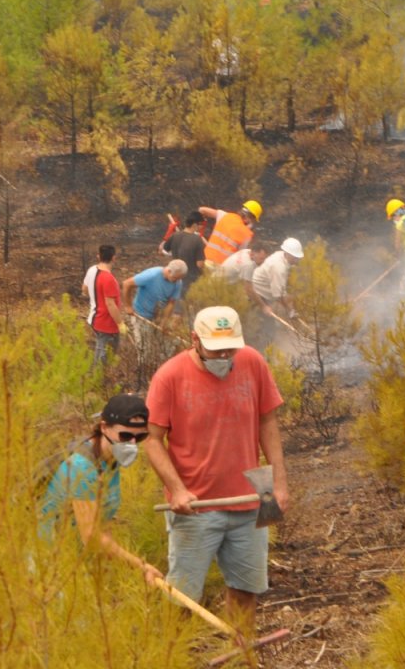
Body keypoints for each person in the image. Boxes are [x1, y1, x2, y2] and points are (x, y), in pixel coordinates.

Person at [142, 306, 288, 629]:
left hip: (250, 498)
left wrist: (279, 483)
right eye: (216, 349)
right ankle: (173, 657)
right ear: (194, 339)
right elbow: (152, 440)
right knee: (181, 596)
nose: (224, 355)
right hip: (197, 505)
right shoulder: (170, 376)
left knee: (246, 589)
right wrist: (178, 490)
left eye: (230, 348)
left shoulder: (252, 362)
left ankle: (241, 656)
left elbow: (268, 421)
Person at [37, 394, 155, 576]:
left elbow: (103, 522)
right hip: (47, 561)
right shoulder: (81, 468)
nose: (132, 443)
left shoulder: (110, 461)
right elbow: (92, 537)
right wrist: (140, 566)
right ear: (104, 428)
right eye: (125, 435)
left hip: (75, 559)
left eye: (140, 438)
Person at [82, 245, 126, 365]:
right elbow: (110, 305)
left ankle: (98, 378)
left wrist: (96, 296)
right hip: (106, 324)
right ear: (114, 258)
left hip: (94, 319)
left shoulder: (91, 270)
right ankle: (97, 381)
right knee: (104, 359)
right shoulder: (108, 279)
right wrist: (120, 323)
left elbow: (84, 289)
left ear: (98, 256)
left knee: (101, 351)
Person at [251, 238, 304, 318]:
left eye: (297, 257)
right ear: (288, 254)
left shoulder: (281, 254)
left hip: (265, 288)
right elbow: (278, 295)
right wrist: (290, 310)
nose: (297, 260)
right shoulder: (278, 267)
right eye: (295, 257)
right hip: (258, 294)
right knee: (267, 322)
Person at [200, 201, 260, 268]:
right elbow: (240, 257)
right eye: (253, 221)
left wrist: (199, 232)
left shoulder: (225, 216)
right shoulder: (247, 234)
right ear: (249, 218)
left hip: (205, 261)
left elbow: (202, 210)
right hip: (222, 269)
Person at [163, 212, 208, 296]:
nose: (201, 227)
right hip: (192, 281)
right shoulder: (197, 240)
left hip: (176, 277)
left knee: (177, 302)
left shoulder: (175, 236)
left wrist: (168, 234)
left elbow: (163, 250)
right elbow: (200, 264)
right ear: (195, 224)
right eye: (201, 224)